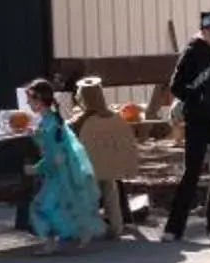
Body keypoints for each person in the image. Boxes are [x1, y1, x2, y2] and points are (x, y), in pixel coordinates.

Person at [161, 10, 210, 239]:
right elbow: (175, 86)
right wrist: (195, 97)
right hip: (197, 120)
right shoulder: (192, 52)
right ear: (203, 32)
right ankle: (174, 228)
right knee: (191, 173)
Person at [21, 79, 104, 252]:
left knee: (42, 207)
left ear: (39, 100)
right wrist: (35, 135)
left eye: (30, 100)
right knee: (62, 206)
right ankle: (78, 234)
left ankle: (67, 237)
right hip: (60, 174)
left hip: (59, 176)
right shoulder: (50, 120)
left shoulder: (50, 125)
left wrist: (37, 168)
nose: (28, 103)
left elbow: (54, 156)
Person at [71, 79, 143, 240]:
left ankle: (90, 227)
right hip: (110, 164)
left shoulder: (82, 119)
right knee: (111, 194)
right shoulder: (113, 116)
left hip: (90, 165)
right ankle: (117, 226)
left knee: (91, 196)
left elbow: (71, 132)